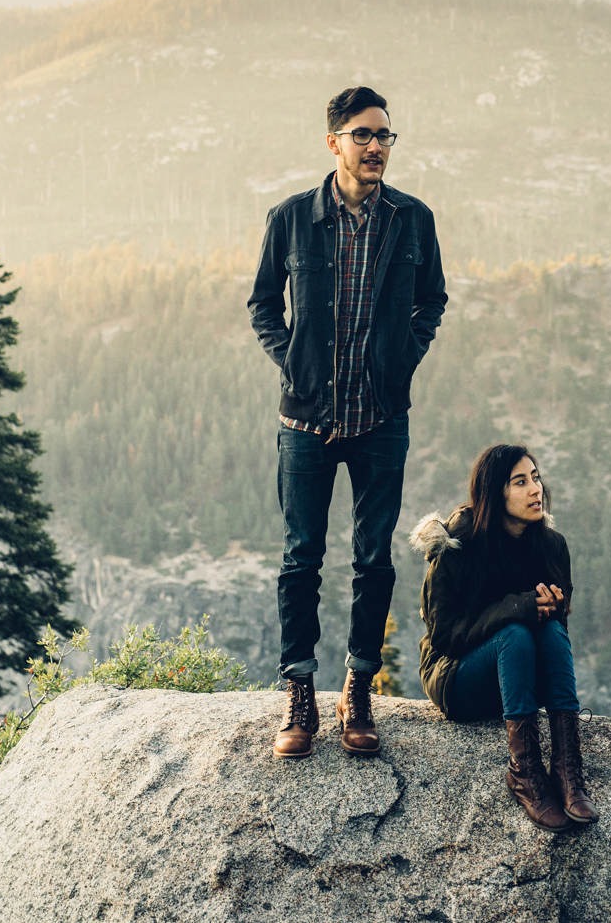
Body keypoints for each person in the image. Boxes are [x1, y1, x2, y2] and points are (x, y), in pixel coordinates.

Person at [248, 85, 447, 759]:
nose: (376, 147)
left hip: (381, 418)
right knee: (300, 556)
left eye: (385, 135)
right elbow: (262, 306)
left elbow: (432, 303)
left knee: (372, 557)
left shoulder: (412, 220)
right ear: (332, 141)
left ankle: (358, 690)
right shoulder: (292, 219)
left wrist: (400, 365)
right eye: (363, 135)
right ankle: (299, 695)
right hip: (304, 421)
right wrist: (295, 366)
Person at [408, 444, 597, 832]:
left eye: (536, 478)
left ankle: (565, 768)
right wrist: (516, 607)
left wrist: (551, 608)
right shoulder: (458, 545)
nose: (536, 490)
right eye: (520, 482)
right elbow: (444, 638)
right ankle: (524, 774)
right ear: (496, 493)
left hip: (519, 678)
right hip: (458, 677)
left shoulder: (551, 545)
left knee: (549, 629)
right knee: (514, 633)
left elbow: (554, 629)